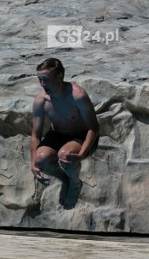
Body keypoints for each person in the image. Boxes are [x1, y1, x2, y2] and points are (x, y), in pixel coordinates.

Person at [31, 57, 100, 209]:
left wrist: (82, 154)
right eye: (39, 79)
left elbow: (94, 127)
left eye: (46, 80)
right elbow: (36, 135)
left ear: (60, 76)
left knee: (65, 155)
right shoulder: (41, 101)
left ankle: (75, 184)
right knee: (41, 158)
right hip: (58, 134)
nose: (42, 84)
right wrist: (33, 162)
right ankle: (66, 180)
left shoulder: (77, 96)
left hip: (81, 135)